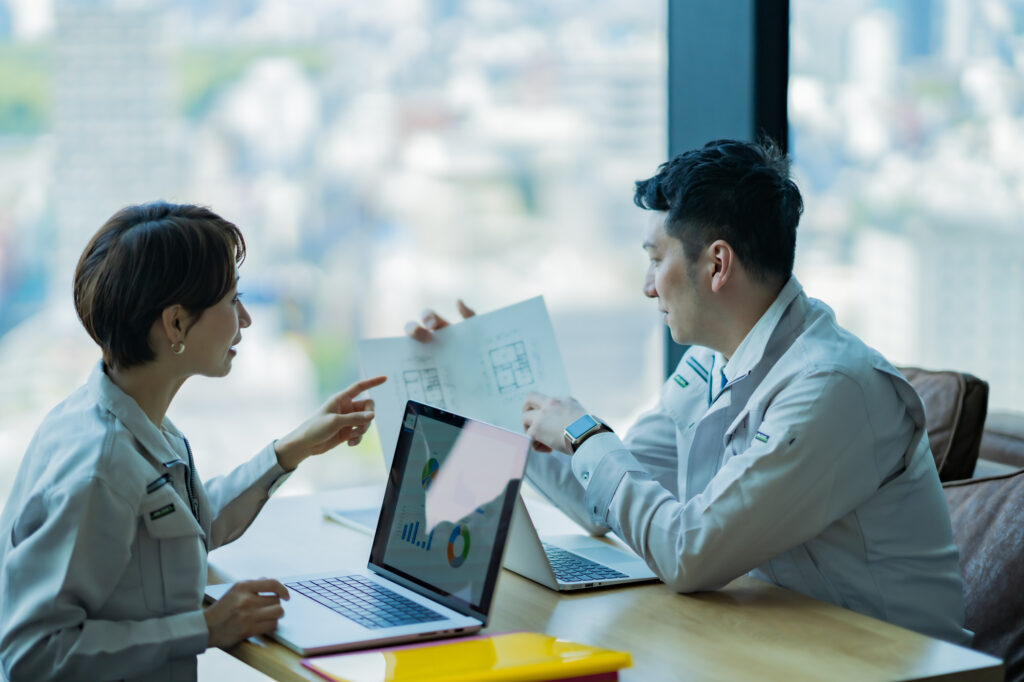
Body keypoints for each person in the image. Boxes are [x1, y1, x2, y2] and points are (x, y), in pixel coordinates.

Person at [407, 139, 970, 644]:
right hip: (783, 640)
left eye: (656, 259)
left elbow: (688, 552)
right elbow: (611, 499)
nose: (647, 286)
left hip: (889, 662)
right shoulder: (715, 359)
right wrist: (483, 391)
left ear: (717, 264)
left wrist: (582, 433)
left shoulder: (831, 388)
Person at [0, 202, 387, 682]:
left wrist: (291, 450)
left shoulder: (130, 419)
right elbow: (31, 656)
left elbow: (189, 528)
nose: (244, 319)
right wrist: (203, 628)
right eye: (230, 301)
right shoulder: (100, 469)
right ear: (177, 324)